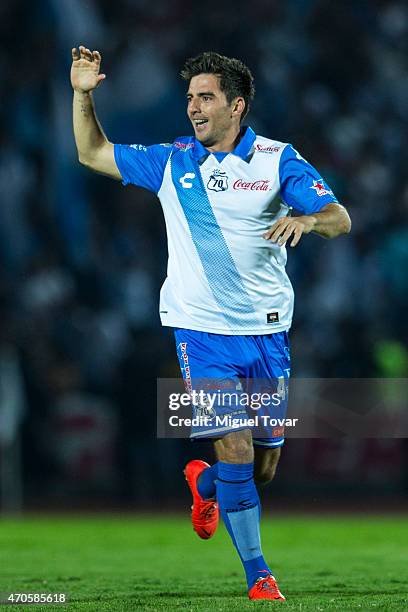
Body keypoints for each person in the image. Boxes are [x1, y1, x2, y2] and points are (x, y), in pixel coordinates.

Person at [70, 46, 351, 601]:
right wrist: (83, 94)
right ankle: (259, 575)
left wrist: (306, 220)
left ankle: (205, 482)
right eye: (190, 99)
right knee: (238, 451)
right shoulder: (173, 160)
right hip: (202, 335)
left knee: (263, 467)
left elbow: (339, 218)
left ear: (237, 105)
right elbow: (91, 152)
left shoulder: (276, 160)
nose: (193, 108)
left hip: (269, 335)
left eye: (206, 98)